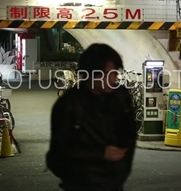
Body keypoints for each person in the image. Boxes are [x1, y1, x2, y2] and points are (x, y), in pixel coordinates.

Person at [46, 43, 137, 191]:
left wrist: (121, 170)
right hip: (81, 185)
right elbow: (58, 153)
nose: (113, 79)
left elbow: (130, 134)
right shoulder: (69, 104)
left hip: (114, 185)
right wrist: (100, 154)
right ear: (90, 74)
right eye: (108, 74)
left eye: (115, 73)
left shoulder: (120, 96)